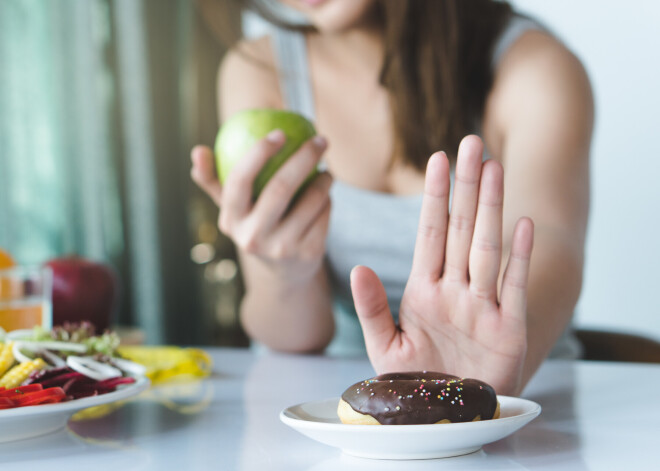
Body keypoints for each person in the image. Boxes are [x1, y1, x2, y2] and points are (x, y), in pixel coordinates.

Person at [191, 0, 592, 396]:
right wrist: (283, 272)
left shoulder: (534, 65)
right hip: (344, 408)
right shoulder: (259, 70)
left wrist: (484, 370)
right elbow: (299, 340)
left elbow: (552, 243)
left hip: (526, 398)